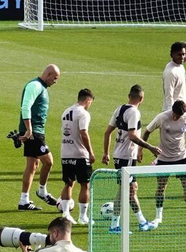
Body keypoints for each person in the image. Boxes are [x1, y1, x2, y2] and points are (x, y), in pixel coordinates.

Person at [99, 84, 156, 232]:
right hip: (126, 157)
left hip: (119, 155)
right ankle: (126, 224)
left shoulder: (119, 109)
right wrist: (150, 147)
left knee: (128, 189)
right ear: (141, 98)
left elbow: (107, 132)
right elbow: (132, 136)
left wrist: (106, 153)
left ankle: (134, 222)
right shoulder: (134, 113)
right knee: (129, 190)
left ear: (129, 96)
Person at [146, 99, 186, 227]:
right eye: (174, 114)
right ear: (171, 110)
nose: (175, 117)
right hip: (164, 158)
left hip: (181, 157)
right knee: (161, 187)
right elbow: (147, 131)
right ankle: (158, 217)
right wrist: (141, 149)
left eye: (178, 116)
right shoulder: (161, 117)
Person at [17, 65, 62, 211]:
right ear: (48, 74)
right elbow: (25, 107)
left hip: (36, 131)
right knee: (48, 161)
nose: (55, 81)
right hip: (33, 132)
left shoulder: (41, 87)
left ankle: (24, 200)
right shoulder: (35, 85)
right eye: (54, 78)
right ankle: (42, 191)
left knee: (32, 166)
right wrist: (29, 129)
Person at [57, 88, 96, 224]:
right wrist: (90, 152)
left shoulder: (66, 111)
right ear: (88, 100)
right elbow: (83, 133)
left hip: (65, 152)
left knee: (68, 183)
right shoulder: (83, 113)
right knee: (85, 185)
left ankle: (66, 213)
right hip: (79, 154)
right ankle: (82, 216)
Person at [162, 40, 186, 115]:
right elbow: (168, 95)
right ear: (172, 55)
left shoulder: (180, 67)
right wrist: (172, 113)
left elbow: (181, 93)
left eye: (183, 54)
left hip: (182, 109)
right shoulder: (171, 72)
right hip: (174, 112)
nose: (182, 57)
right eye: (179, 55)